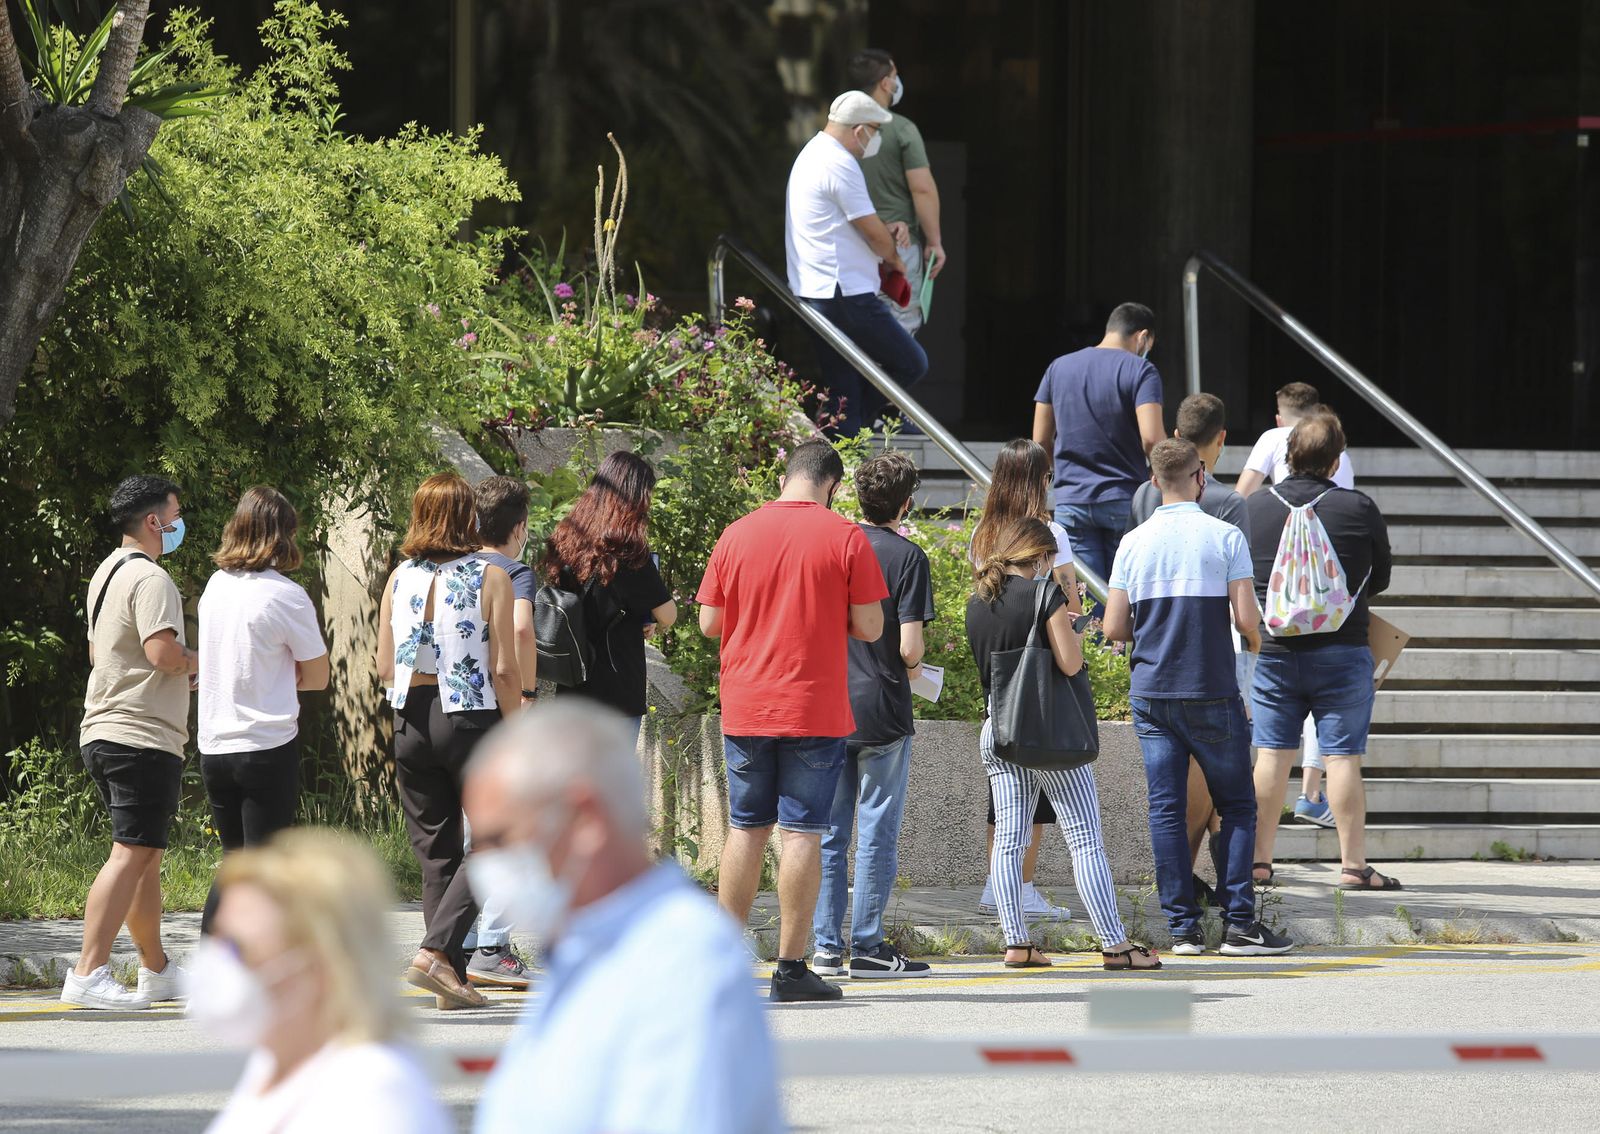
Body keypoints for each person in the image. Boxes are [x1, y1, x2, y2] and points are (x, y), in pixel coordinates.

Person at [466, 702, 782, 1134]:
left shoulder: (678, 963)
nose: (484, 865)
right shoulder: (591, 944)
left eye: (500, 838)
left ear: (585, 820)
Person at [697, 440, 888, 1002]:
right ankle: (791, 968)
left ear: (787, 477)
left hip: (746, 703)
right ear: (831, 484)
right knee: (803, 831)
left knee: (745, 827)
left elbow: (710, 622)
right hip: (813, 706)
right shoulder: (846, 536)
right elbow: (873, 627)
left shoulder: (737, 533)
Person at [1105, 440, 1293, 957]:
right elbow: (1247, 621)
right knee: (1235, 804)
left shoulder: (1133, 543)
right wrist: (1253, 647)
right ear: (1200, 476)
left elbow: (1116, 625)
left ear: (1152, 479)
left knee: (1165, 809)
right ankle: (1240, 925)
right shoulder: (1225, 536)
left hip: (1151, 691)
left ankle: (1182, 929)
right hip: (1210, 687)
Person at [965, 517, 1159, 972]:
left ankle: (1017, 942)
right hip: (1047, 733)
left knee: (1009, 842)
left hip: (998, 730)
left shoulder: (979, 600)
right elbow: (1070, 664)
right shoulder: (1044, 594)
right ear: (1041, 555)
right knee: (1084, 838)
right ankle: (1115, 945)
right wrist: (1071, 632)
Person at [189, 829, 450, 1134]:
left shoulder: (372, 1097)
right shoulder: (276, 1060)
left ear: (320, 962)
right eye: (215, 940)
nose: (219, 963)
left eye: (237, 947)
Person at [376, 472, 522, 1010]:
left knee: (435, 854)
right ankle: (437, 951)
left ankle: (450, 980)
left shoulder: (399, 579)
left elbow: (382, 664)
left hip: (409, 719)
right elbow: (505, 669)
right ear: (469, 519)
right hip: (472, 718)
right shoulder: (490, 577)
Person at [1245, 411, 1398, 892]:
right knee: (1342, 758)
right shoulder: (1358, 508)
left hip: (1275, 651)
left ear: (1287, 456)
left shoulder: (1254, 509)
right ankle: (1354, 867)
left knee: (1270, 755)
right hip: (1343, 649)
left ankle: (1258, 862)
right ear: (1336, 462)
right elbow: (1384, 579)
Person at [63, 475, 198, 1011]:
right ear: (153, 522)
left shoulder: (106, 573)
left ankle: (156, 969)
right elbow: (163, 653)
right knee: (131, 851)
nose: (178, 524)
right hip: (139, 734)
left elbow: (102, 654)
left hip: (108, 728)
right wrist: (198, 665)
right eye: (175, 514)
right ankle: (88, 971)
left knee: (147, 854)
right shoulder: (150, 577)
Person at [812, 451, 934, 980]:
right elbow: (909, 649)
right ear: (906, 503)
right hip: (883, 708)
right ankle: (867, 945)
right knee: (877, 831)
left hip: (828, 704)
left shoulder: (834, 546)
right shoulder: (908, 558)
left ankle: (821, 945)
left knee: (827, 832)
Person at [197, 487, 329, 935]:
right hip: (266, 745)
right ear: (283, 536)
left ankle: (220, 965)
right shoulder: (286, 595)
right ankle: (245, 967)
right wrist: (282, 675)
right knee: (265, 869)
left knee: (237, 863)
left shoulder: (215, 586)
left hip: (215, 743)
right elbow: (317, 676)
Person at [1129, 393, 1249, 887]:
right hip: (1210, 663)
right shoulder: (1228, 505)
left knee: (1166, 800)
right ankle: (1235, 908)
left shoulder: (1142, 498)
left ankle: (1178, 908)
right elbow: (1242, 608)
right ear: (1219, 440)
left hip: (1154, 659)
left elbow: (1125, 606)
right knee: (1232, 796)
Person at [967, 439, 1081, 920]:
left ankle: (998, 884)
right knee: (1036, 793)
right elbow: (1070, 600)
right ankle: (1022, 886)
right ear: (1040, 481)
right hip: (1038, 675)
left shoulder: (982, 534)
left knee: (1004, 790)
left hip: (996, 672)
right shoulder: (1048, 532)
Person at [1236, 384, 1354, 828]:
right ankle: (1311, 792)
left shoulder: (1270, 441)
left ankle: (1258, 855)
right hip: (1329, 612)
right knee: (1338, 737)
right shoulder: (1344, 465)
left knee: (1270, 744)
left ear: (1281, 419)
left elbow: (1241, 496)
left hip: (1278, 606)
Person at [786, 89, 929, 435]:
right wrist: (896, 260)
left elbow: (852, 221)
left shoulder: (813, 154)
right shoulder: (838, 162)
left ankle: (845, 433)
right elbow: (873, 235)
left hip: (820, 289)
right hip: (844, 293)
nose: (875, 140)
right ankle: (855, 428)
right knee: (911, 362)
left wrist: (886, 230)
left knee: (844, 388)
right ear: (860, 129)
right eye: (875, 131)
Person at [461, 475, 541, 990]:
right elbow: (519, 629)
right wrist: (526, 696)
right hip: (501, 707)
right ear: (519, 527)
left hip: (457, 707)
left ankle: (465, 939)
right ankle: (494, 944)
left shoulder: (457, 568)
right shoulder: (515, 571)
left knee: (469, 830)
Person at [1032, 302, 1167, 603]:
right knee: (1127, 598)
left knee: (1083, 602)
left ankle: (1092, 652)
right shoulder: (1142, 370)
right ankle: (1120, 652)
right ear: (1142, 337)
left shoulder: (1058, 368)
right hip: (1124, 497)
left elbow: (1040, 441)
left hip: (1072, 500)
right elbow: (1152, 438)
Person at [541, 452, 677, 741]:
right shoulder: (629, 552)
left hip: (571, 687)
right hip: (616, 695)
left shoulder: (567, 540)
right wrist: (647, 617)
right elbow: (668, 614)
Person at [848, 48, 948, 337]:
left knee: (858, 334)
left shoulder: (840, 130)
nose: (896, 81)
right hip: (897, 245)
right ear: (885, 83)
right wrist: (935, 242)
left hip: (854, 244)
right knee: (898, 333)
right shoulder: (902, 129)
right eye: (894, 75)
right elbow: (922, 188)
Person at [1235, 382, 1354, 497]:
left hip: (1289, 511)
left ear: (1278, 420)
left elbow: (1242, 495)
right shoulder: (1338, 449)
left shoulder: (1273, 437)